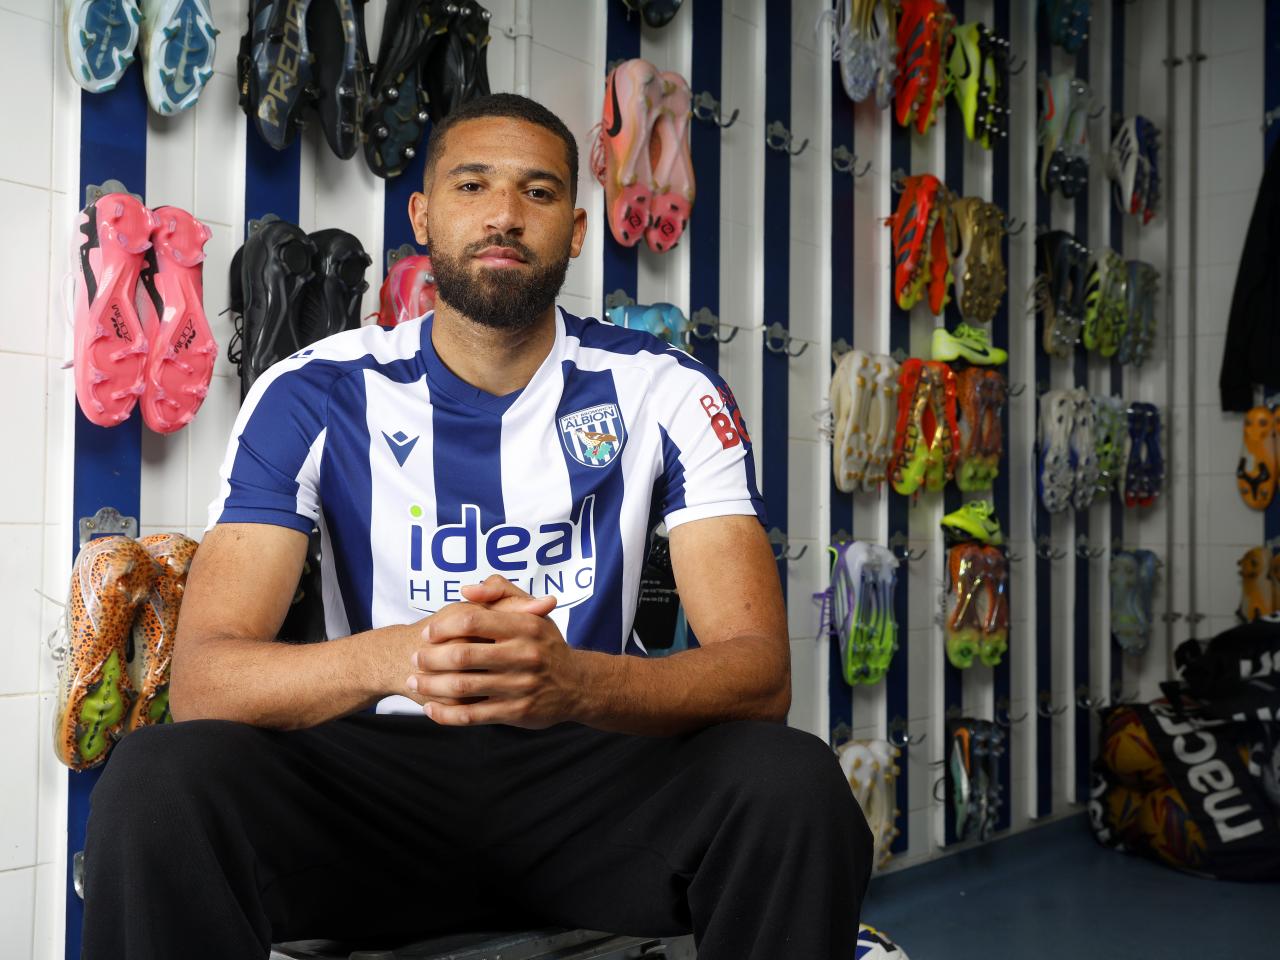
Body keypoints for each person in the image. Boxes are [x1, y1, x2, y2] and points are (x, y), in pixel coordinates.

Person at [81, 93, 871, 959]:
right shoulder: (310, 391)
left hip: (592, 782)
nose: (503, 215)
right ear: (422, 216)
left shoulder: (668, 389)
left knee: (793, 784)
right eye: (472, 185)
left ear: (576, 230)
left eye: (538, 192)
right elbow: (204, 680)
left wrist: (575, 683)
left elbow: (758, 674)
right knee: (155, 781)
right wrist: (401, 658)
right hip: (371, 801)